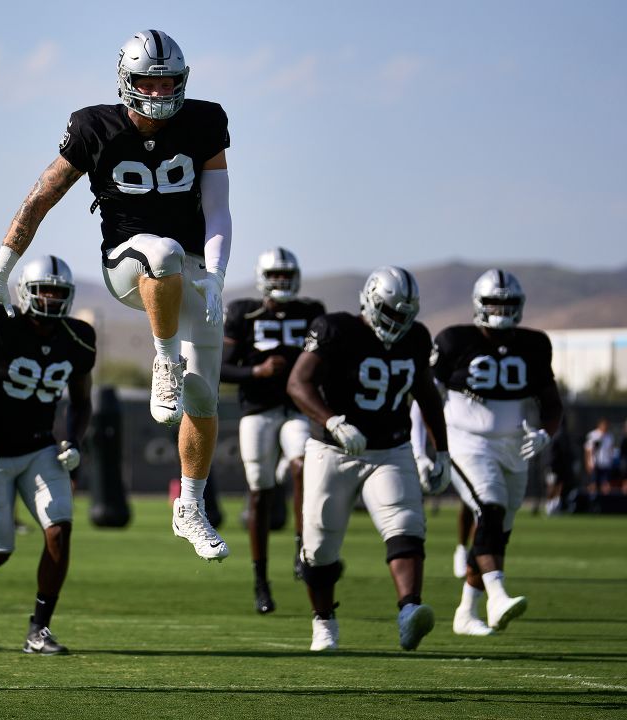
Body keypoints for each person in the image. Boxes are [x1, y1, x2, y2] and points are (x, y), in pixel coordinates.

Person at [0, 29, 231, 562]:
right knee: (162, 251)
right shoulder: (95, 126)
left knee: (202, 398)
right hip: (128, 261)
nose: (158, 93)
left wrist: (219, 273)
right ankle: (163, 361)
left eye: (168, 81)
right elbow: (40, 198)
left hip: (195, 269)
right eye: (148, 82)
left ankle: (189, 508)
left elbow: (220, 207)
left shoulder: (204, 121)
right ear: (126, 81)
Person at [287, 267, 450, 652]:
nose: (396, 322)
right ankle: (323, 621)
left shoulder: (416, 338)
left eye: (403, 315)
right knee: (320, 544)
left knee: (406, 524)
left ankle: (409, 611)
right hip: (333, 448)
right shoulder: (335, 329)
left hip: (389, 448)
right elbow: (297, 382)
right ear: (370, 301)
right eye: (389, 312)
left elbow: (427, 394)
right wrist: (332, 421)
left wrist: (440, 450)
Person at [0, 255, 95, 654]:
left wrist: (74, 440)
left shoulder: (79, 337)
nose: (50, 298)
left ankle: (39, 629)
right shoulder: (0, 324)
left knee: (59, 531)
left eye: (58, 291)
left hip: (40, 447)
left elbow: (82, 401)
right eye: (43, 289)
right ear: (25, 292)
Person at [430, 269, 563, 636]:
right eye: (494, 303)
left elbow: (551, 404)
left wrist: (544, 435)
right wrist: (421, 448)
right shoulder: (455, 340)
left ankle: (465, 613)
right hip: (466, 441)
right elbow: (424, 397)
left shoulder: (534, 344)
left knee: (496, 532)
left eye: (508, 303)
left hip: (513, 447)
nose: (502, 311)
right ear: (479, 304)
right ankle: (498, 594)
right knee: (489, 509)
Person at [221, 248, 325, 614]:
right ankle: (261, 581)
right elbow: (221, 368)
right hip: (258, 410)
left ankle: (301, 546)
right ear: (263, 277)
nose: (281, 281)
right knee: (260, 491)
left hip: (296, 409)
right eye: (275, 275)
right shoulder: (243, 312)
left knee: (302, 464)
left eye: (286, 275)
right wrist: (257, 372)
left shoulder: (311, 312)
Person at [585, 418, 616, 499]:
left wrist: (611, 461)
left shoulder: (610, 437)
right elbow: (588, 451)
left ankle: (605, 502)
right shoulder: (592, 435)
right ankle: (591, 501)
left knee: (605, 485)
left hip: (605, 464)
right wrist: (588, 463)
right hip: (594, 464)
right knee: (593, 484)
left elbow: (611, 451)